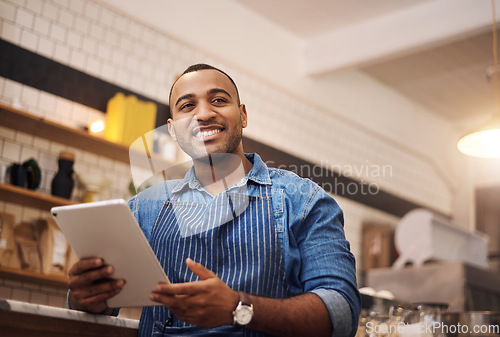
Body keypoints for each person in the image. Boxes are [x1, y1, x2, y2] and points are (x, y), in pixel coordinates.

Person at [67, 64, 361, 337]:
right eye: (187, 106)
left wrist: (238, 307)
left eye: (219, 100)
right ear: (173, 130)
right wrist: (85, 298)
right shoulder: (143, 208)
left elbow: (342, 312)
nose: (204, 114)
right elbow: (101, 308)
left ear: (243, 115)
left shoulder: (305, 201)